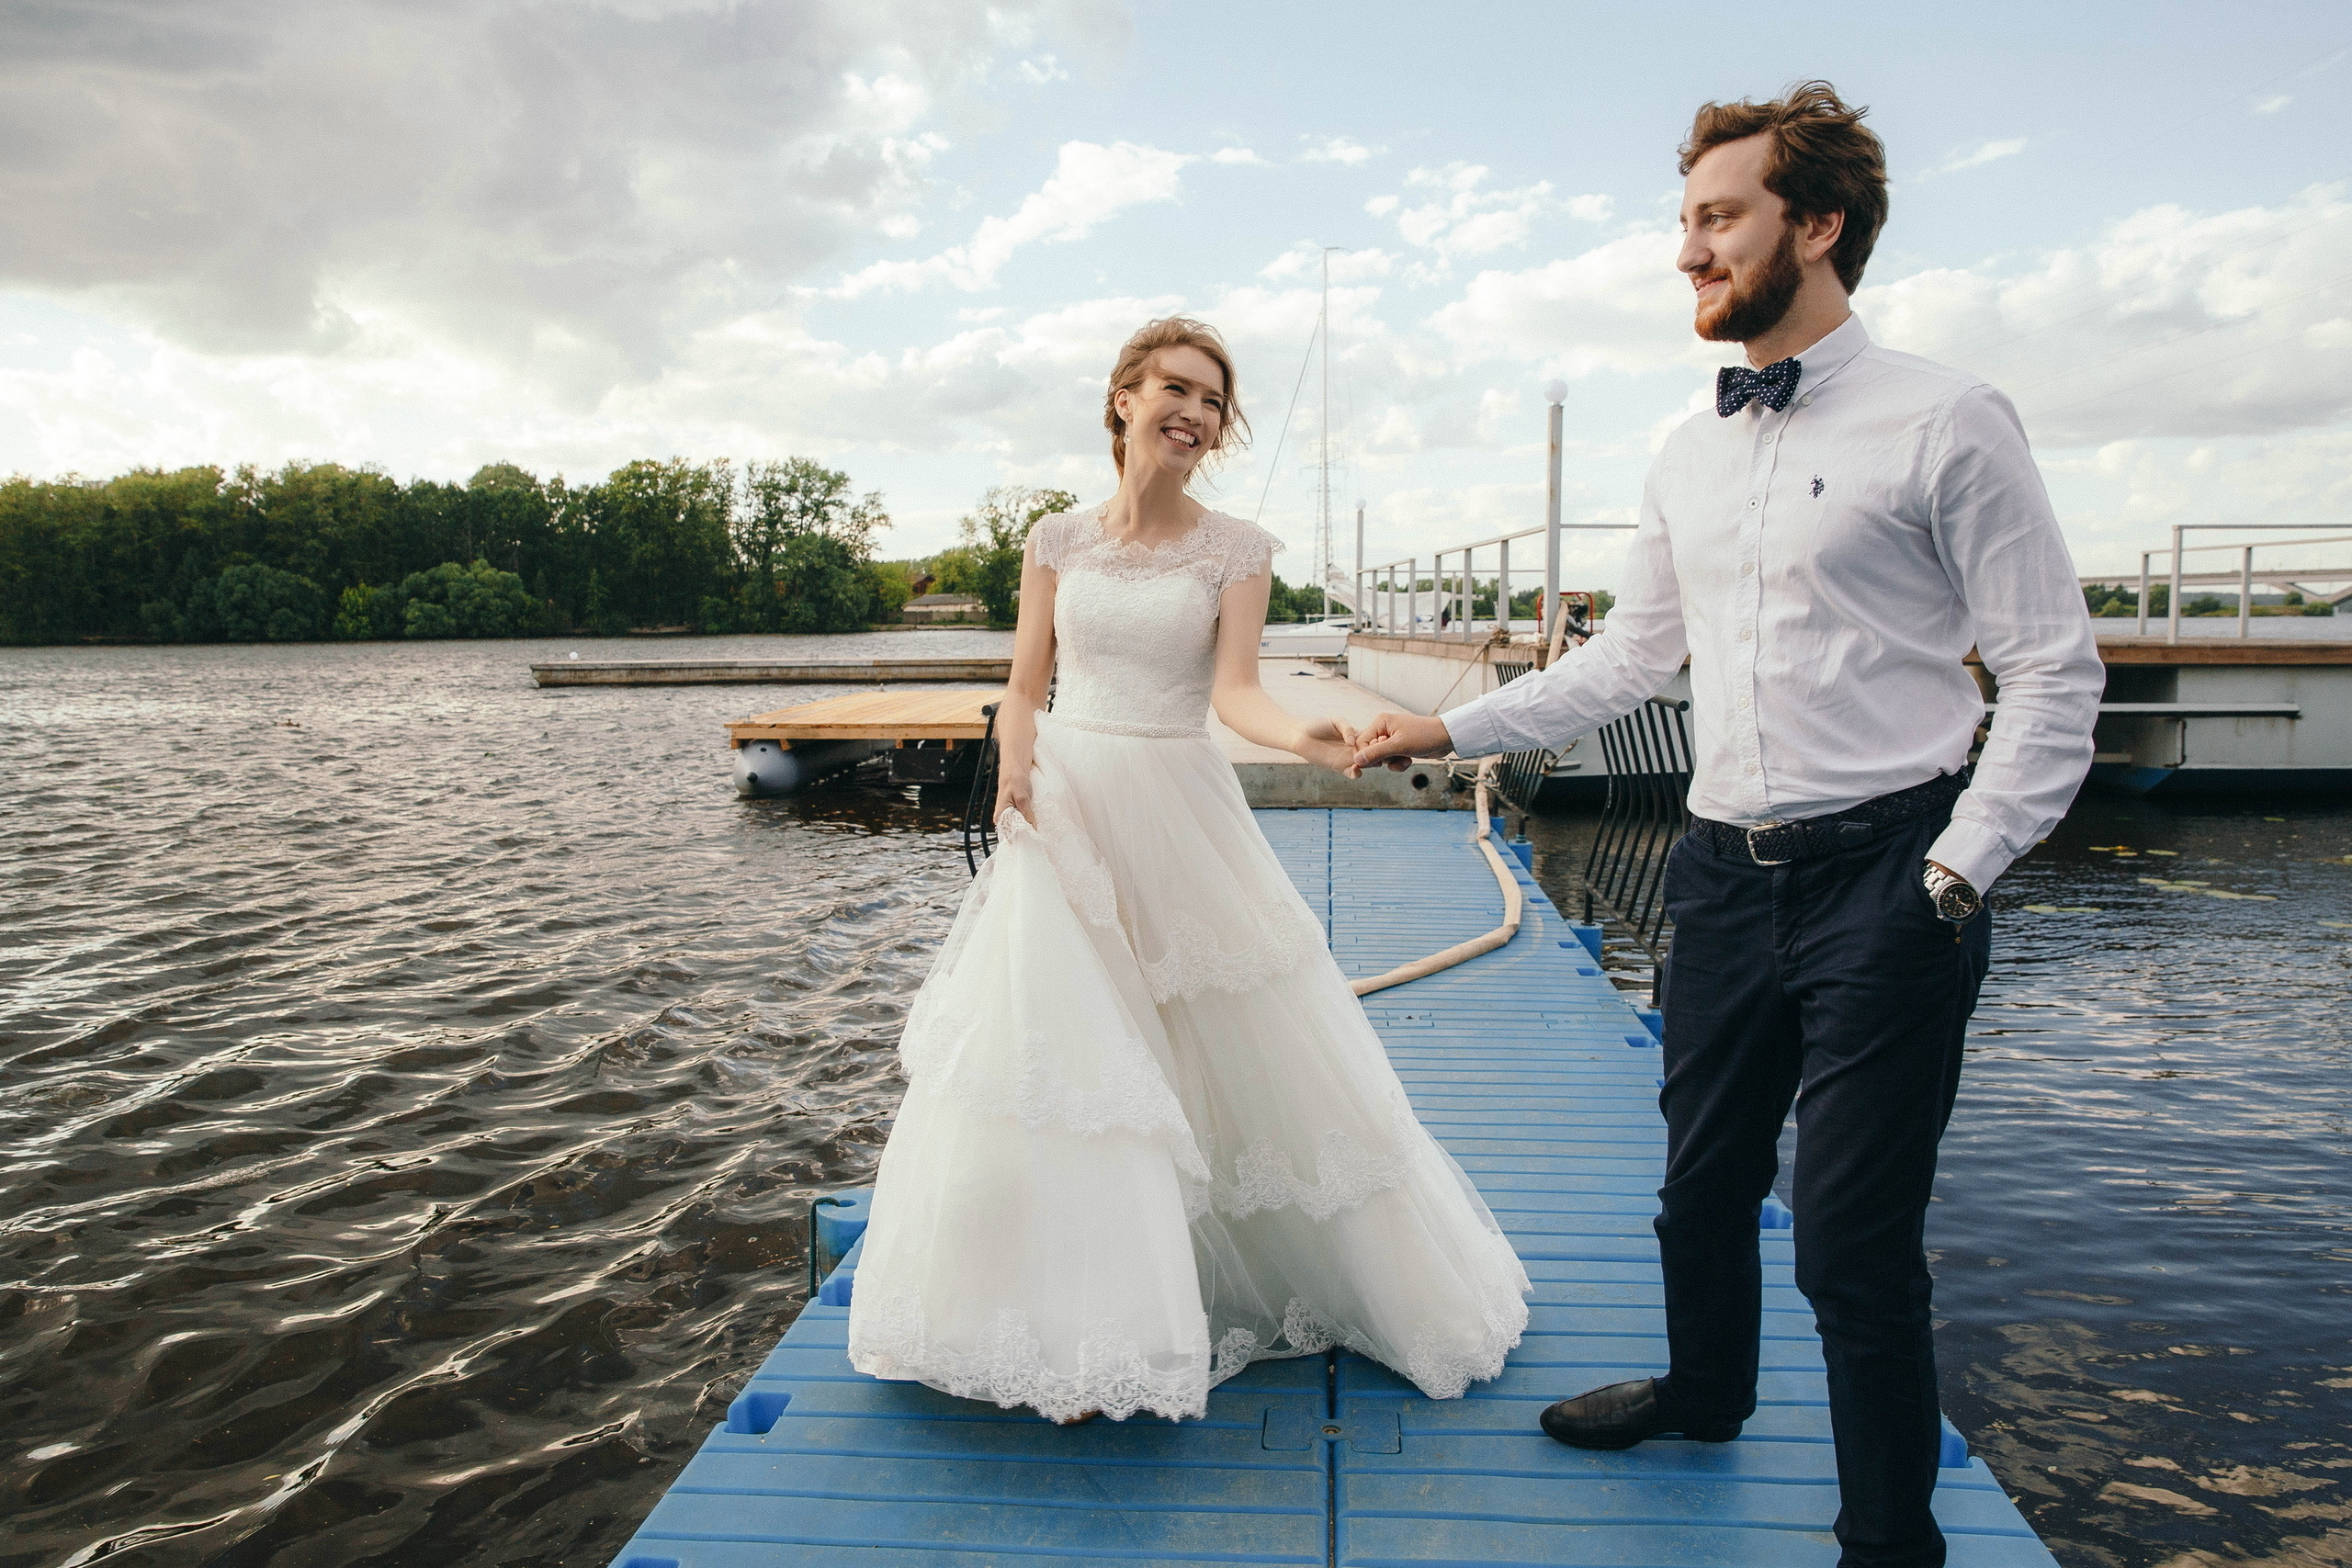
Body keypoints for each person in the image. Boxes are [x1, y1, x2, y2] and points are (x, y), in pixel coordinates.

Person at [1350, 83, 2101, 1567]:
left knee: (1848, 1241)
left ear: (1816, 225)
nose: (1687, 253)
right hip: (1720, 870)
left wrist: (1952, 877)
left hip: (1890, 868)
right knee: (1698, 1180)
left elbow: (2051, 670)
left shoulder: (1947, 418)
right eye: (1683, 222)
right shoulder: (1687, 449)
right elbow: (1631, 659)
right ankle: (1704, 1392)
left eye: (1718, 219)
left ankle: (1890, 1541)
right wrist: (1446, 725)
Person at [846, 317, 1530, 1425]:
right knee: (1066, 1055)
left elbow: (1238, 697)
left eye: (1212, 400)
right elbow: (1025, 684)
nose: (1194, 412)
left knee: (1215, 1037)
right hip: (1064, 803)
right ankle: (1068, 1314)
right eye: (1174, 388)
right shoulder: (1054, 539)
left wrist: (1315, 738)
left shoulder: (1238, 548)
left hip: (1176, 802)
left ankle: (1237, 1280)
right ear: (1122, 399)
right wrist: (1016, 761)